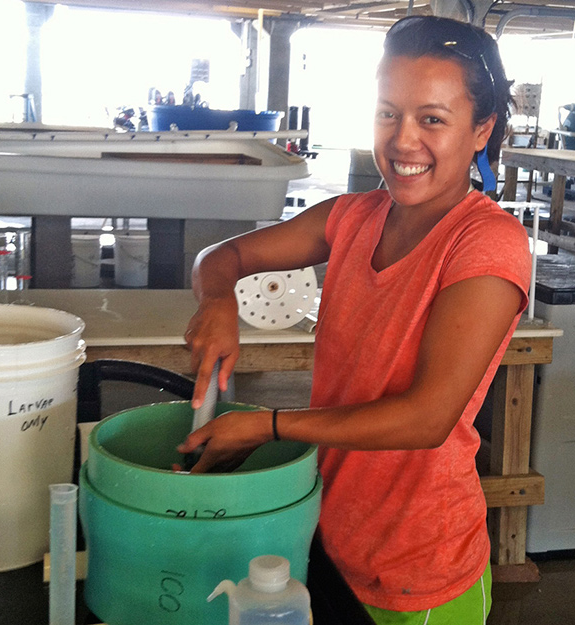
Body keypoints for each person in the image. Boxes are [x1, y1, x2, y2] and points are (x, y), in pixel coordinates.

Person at [179, 15, 532, 624]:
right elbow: (225, 256)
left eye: (432, 119)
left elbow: (427, 417)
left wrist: (265, 427)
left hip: (419, 567)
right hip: (332, 536)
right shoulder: (352, 216)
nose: (403, 141)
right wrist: (217, 301)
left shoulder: (486, 244)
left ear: (481, 130)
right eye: (387, 113)